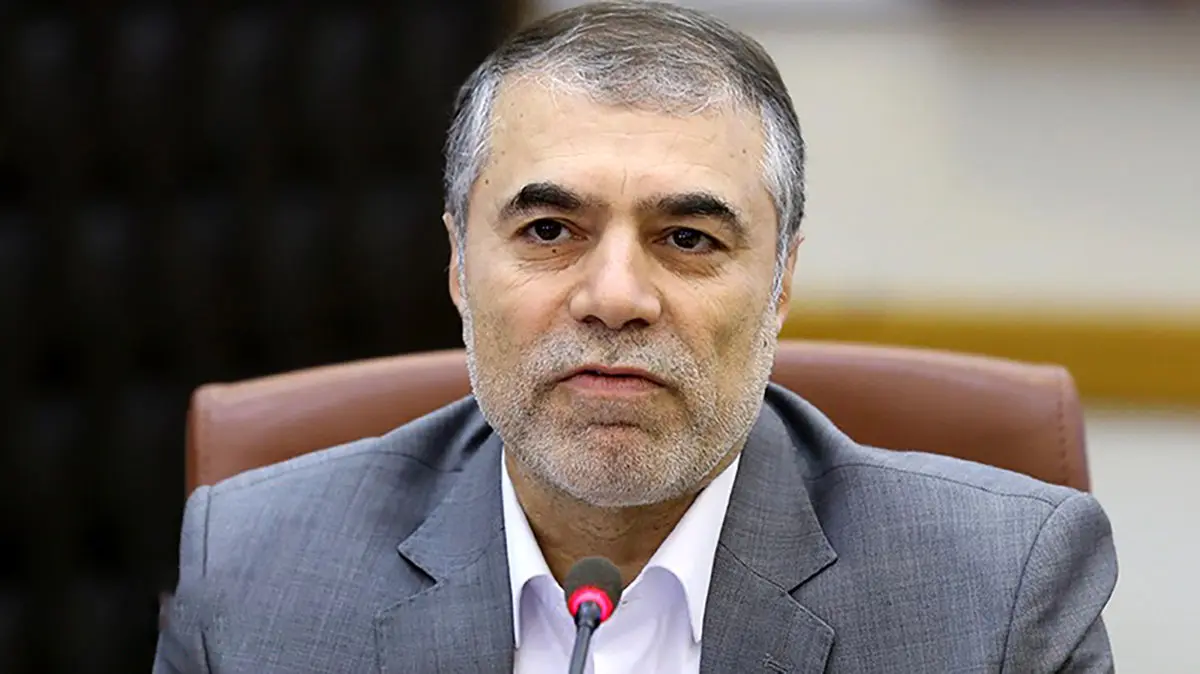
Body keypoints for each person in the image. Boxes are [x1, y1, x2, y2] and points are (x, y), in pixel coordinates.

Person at [153, 2, 1117, 672]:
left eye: (688, 238)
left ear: (781, 282)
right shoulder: (253, 574)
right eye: (549, 231)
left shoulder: (997, 594)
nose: (615, 297)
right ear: (457, 266)